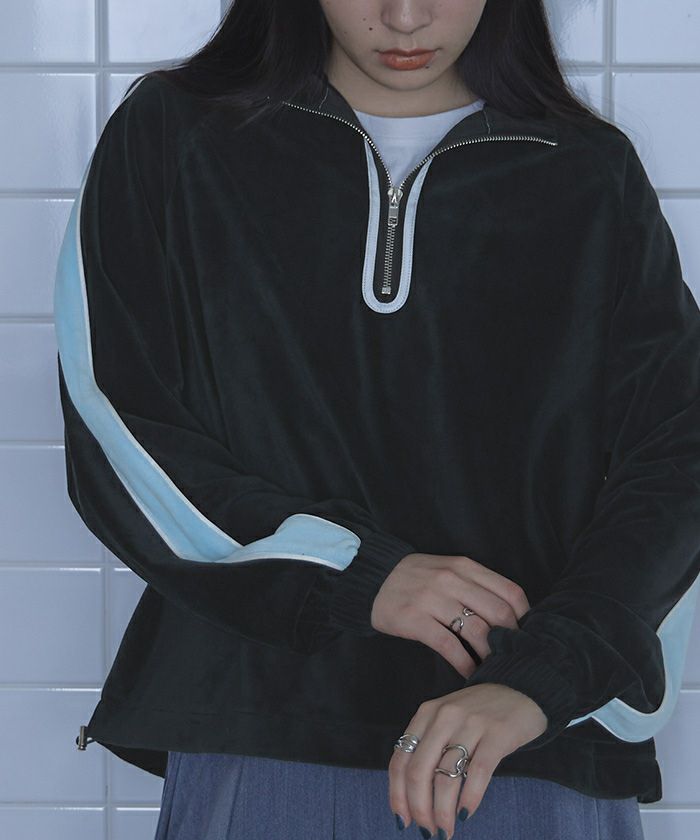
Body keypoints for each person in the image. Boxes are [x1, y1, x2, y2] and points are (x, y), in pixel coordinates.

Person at [53, 1, 700, 838]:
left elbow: (675, 461)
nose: (404, 17)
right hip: (264, 726)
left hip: (524, 744)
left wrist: (550, 674)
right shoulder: (176, 136)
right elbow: (117, 418)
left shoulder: (589, 172)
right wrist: (352, 574)